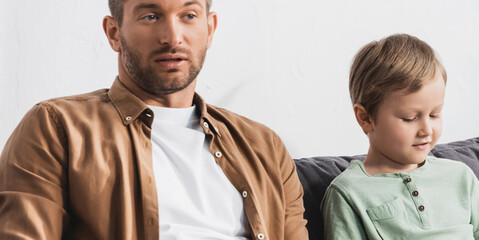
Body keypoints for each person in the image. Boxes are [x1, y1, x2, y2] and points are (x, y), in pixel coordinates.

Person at [0, 0, 308, 239]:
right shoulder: (56, 127)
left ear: (210, 29)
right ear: (114, 33)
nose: (172, 37)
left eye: (189, 15)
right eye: (151, 16)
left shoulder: (264, 146)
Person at [321, 33, 479, 240]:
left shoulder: (460, 176)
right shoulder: (348, 192)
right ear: (365, 118)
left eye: (435, 114)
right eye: (409, 118)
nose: (427, 129)